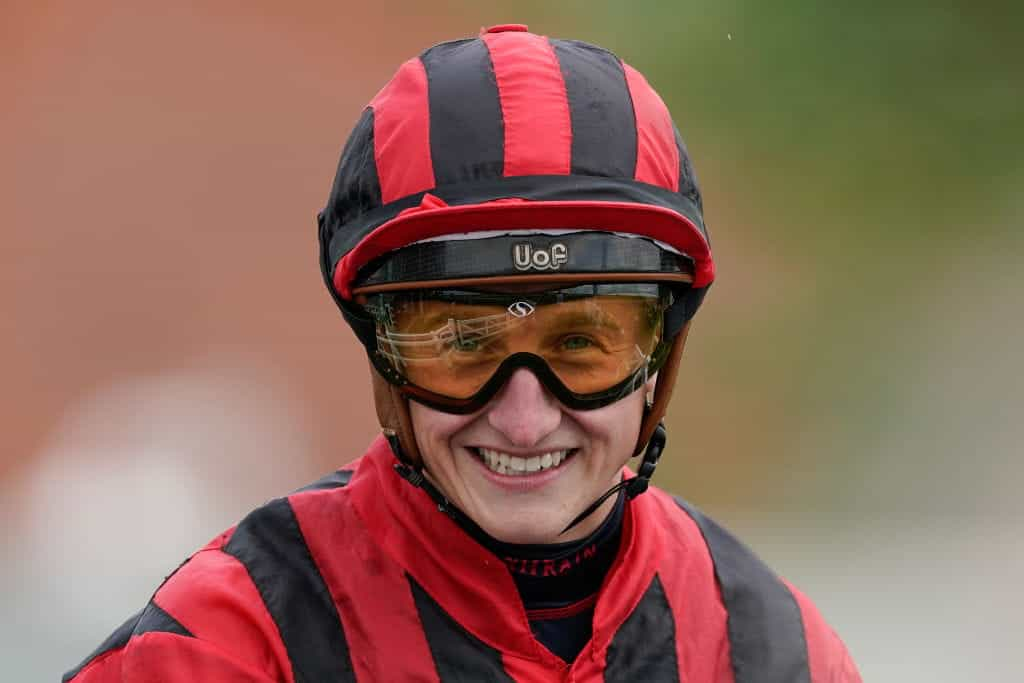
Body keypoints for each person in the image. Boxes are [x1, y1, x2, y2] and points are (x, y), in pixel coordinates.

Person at [64, 24, 861, 682]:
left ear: (662, 358)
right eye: (460, 343)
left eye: (580, 344)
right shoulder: (225, 646)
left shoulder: (772, 653)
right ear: (381, 355)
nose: (523, 419)